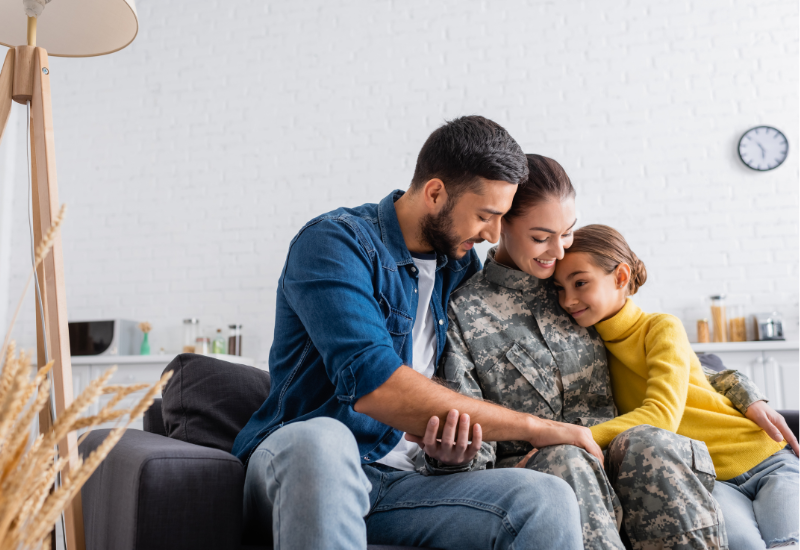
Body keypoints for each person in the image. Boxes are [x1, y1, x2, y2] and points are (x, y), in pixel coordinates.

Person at [232, 116, 599, 550]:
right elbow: (377, 387)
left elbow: (447, 386)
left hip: (400, 485)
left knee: (545, 498)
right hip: (301, 468)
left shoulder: (458, 267)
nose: (492, 235)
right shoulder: (335, 243)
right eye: (485, 216)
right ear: (435, 193)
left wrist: (445, 453)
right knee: (325, 439)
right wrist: (539, 428)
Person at [440, 154, 787, 550]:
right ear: (501, 223)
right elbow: (468, 426)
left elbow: (672, 358)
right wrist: (453, 458)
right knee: (568, 460)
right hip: (539, 465)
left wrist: (747, 394)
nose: (556, 251)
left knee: (652, 441)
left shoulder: (583, 287)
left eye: (566, 232)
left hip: (624, 453)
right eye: (541, 237)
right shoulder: (464, 310)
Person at [553, 224, 799, 550]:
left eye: (580, 282)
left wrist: (566, 434)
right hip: (712, 479)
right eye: (559, 288)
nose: (568, 299)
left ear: (621, 277)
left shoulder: (661, 326)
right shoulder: (587, 350)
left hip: (765, 458)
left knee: (788, 542)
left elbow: (662, 415)